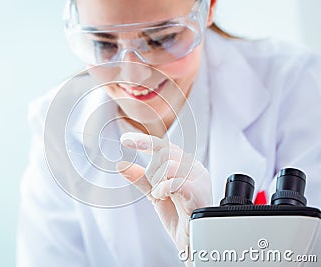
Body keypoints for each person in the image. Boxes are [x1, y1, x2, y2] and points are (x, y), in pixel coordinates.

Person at [16, 0, 321, 266]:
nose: (134, 74)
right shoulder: (58, 127)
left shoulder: (294, 85)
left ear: (208, 8)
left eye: (162, 39)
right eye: (104, 43)